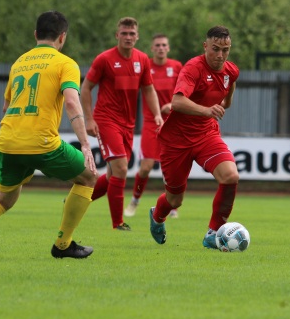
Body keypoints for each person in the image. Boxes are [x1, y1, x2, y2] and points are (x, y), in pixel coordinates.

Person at [0, 10, 97, 258]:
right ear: (63, 37)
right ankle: (63, 245)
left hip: (8, 141)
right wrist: (85, 144)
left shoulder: (20, 62)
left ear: (36, 34)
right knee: (89, 177)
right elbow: (72, 102)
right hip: (42, 142)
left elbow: (6, 106)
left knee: (3, 199)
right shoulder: (65, 63)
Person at [147, 25, 240, 249]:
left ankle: (213, 233)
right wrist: (207, 109)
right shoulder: (193, 68)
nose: (220, 55)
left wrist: (222, 105)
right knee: (174, 199)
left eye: (225, 50)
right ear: (205, 46)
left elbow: (228, 95)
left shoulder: (231, 70)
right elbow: (178, 101)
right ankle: (157, 216)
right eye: (215, 49)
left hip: (206, 134)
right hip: (176, 140)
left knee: (230, 176)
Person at [81, 17, 163, 231]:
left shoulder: (142, 60)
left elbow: (148, 89)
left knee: (111, 176)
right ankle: (118, 223)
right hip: (106, 120)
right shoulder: (104, 59)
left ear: (137, 36)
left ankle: (77, 200)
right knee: (121, 169)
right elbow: (86, 88)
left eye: (131, 33)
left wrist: (156, 115)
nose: (128, 37)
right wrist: (89, 119)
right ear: (117, 35)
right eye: (124, 33)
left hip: (128, 124)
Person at [124, 34, 183, 218]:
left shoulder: (176, 67)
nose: (160, 48)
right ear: (152, 48)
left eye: (164, 45)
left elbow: (185, 93)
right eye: (157, 45)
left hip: (173, 123)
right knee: (146, 167)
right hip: (151, 123)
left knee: (171, 169)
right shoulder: (145, 66)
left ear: (168, 48)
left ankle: (172, 205)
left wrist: (172, 106)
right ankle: (134, 200)